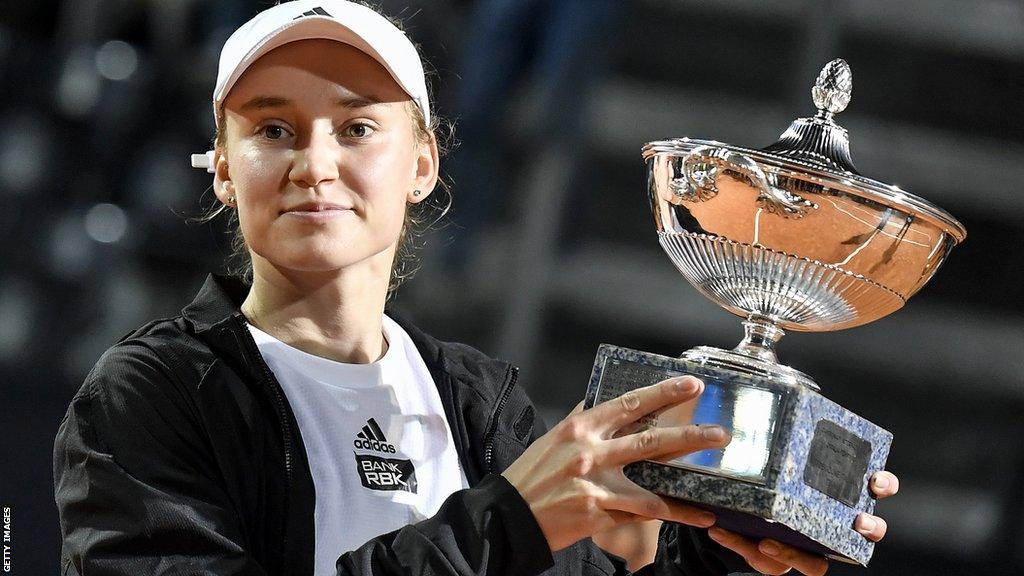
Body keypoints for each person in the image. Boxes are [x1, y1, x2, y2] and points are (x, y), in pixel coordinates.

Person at [52, 2, 899, 575]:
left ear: (420, 163)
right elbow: (504, 536)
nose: (315, 165)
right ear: (226, 169)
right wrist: (510, 522)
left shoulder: (477, 399)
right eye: (272, 129)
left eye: (357, 127)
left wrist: (726, 549)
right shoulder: (150, 394)